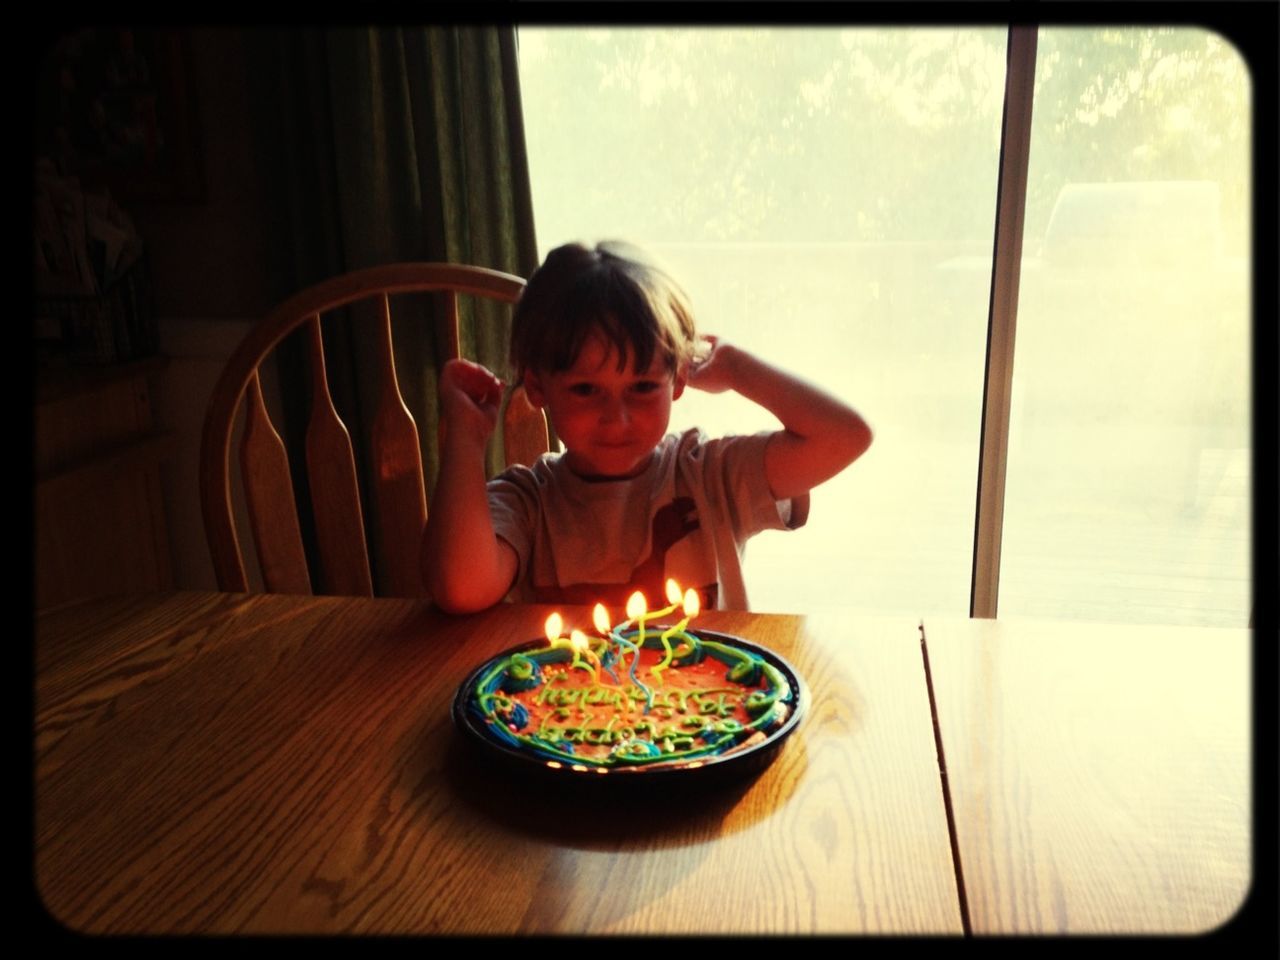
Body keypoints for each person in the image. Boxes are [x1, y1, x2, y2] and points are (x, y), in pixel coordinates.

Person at [423, 241, 872, 614]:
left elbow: (846, 436)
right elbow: (461, 591)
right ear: (538, 387)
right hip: (570, 716)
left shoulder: (711, 475)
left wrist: (736, 367)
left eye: (641, 386)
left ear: (677, 380)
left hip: (709, 716)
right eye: (584, 389)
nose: (616, 417)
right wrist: (465, 439)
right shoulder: (528, 501)